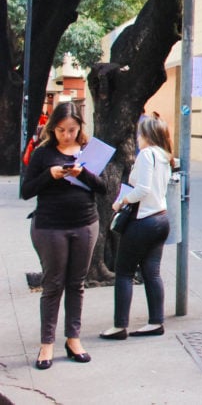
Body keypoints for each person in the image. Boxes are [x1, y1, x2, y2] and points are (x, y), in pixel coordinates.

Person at [21, 102, 107, 369]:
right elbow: (26, 191)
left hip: (85, 224)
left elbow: (103, 188)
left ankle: (73, 339)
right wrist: (49, 175)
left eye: (72, 130)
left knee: (76, 283)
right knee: (53, 284)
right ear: (53, 128)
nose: (67, 136)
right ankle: (47, 343)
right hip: (50, 226)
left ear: (80, 127)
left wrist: (85, 173)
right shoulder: (43, 153)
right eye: (61, 130)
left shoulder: (89, 151)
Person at [101, 116, 174, 340]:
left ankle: (119, 326)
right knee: (152, 273)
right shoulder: (165, 157)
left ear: (148, 136)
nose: (138, 138)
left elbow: (142, 189)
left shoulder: (147, 154)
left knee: (123, 272)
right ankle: (155, 322)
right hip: (161, 219)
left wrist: (122, 201)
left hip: (143, 221)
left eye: (140, 134)